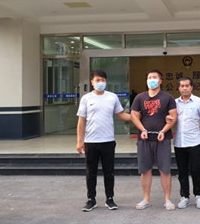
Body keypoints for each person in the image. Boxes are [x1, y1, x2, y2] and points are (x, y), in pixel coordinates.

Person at [76, 70, 131, 212]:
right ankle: (91, 199)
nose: (100, 83)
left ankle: (110, 199)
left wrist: (137, 117)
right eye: (97, 80)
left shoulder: (112, 97)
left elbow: (121, 115)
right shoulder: (86, 98)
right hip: (91, 141)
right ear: (92, 82)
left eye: (103, 80)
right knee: (91, 173)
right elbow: (81, 121)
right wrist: (79, 141)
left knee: (109, 172)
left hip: (108, 141)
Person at [131, 70, 178, 210]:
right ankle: (146, 199)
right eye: (149, 77)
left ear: (160, 81)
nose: (152, 80)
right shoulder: (140, 98)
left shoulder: (168, 97)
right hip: (144, 139)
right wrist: (142, 130)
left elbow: (173, 117)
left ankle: (167, 199)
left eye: (154, 77)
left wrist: (163, 130)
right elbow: (134, 115)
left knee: (165, 169)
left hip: (162, 138)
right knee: (145, 170)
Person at [174, 77, 200, 209]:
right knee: (182, 171)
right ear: (179, 88)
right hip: (179, 143)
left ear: (191, 87)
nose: (184, 88)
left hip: (194, 142)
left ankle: (199, 195)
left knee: (195, 170)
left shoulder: (199, 102)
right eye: (182, 86)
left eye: (187, 85)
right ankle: (185, 196)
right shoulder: (174, 103)